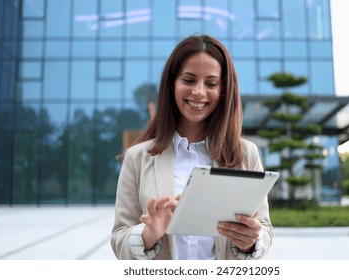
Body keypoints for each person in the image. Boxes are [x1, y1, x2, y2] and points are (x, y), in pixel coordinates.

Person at [111, 34, 272, 260]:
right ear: (172, 85)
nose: (198, 91)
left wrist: (249, 243)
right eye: (188, 80)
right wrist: (149, 234)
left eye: (211, 83)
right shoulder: (138, 157)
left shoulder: (246, 154)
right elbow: (119, 239)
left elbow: (264, 229)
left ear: (224, 90)